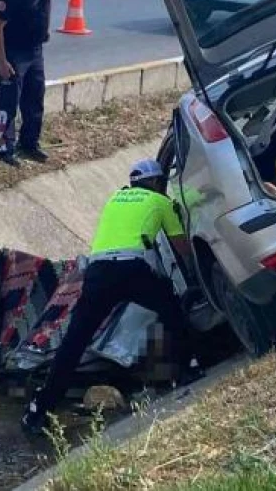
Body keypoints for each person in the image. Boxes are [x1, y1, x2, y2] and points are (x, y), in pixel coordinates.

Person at [21, 159, 204, 435]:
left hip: (97, 273)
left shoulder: (114, 199)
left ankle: (39, 410)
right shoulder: (159, 201)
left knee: (74, 341)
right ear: (156, 182)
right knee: (171, 309)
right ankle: (188, 366)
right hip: (131, 269)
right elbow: (181, 248)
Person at [0, 0, 56, 167]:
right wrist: (2, 61)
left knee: (35, 97)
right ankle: (3, 146)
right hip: (15, 52)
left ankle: (30, 143)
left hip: (35, 49)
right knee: (9, 102)